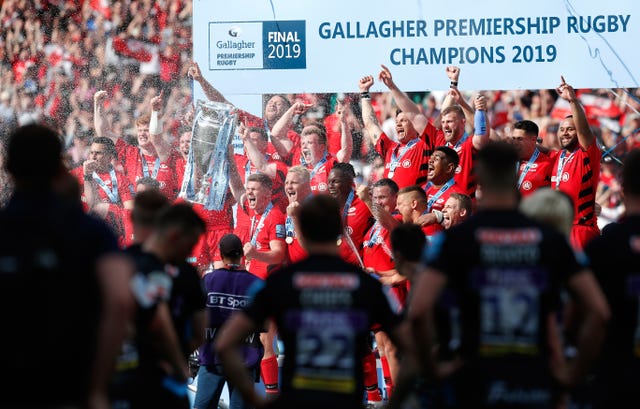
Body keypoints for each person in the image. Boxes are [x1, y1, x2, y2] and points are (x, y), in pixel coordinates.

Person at [405, 141, 610, 409]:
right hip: (534, 380)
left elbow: (418, 310)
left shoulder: (456, 240)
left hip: (474, 379)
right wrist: (574, 372)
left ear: (481, 174)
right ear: (514, 175)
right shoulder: (548, 239)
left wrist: (432, 368)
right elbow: (598, 311)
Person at [214, 194, 411, 409]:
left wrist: (256, 401)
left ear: (303, 231)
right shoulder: (367, 285)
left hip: (298, 400)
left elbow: (225, 343)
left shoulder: (281, 283)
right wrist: (396, 402)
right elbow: (411, 346)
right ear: (340, 228)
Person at [0, 123, 134, 409]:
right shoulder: (90, 231)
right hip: (74, 378)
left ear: (9, 169)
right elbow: (120, 300)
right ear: (60, 167)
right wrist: (98, 386)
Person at [121, 202, 206, 409]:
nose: (189, 253)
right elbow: (160, 322)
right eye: (189, 245)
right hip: (151, 381)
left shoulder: (123, 261)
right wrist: (178, 363)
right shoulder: (152, 269)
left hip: (135, 376)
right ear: (175, 236)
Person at [582, 148, 640, 409]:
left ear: (623, 188)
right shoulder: (606, 242)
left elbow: (594, 315)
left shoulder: (605, 244)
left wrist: (574, 373)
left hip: (615, 374)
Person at [228, 169, 286, 397]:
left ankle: (272, 394)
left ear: (268, 192)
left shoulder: (275, 216)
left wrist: (255, 255)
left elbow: (278, 254)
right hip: (252, 287)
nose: (248, 193)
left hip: (268, 289)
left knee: (265, 339)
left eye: (254, 189)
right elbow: (236, 188)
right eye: (248, 188)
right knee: (255, 339)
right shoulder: (253, 214)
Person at [194, 233, 264, 409]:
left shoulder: (208, 280)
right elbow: (265, 326)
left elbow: (197, 318)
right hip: (245, 360)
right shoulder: (256, 284)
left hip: (212, 357)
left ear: (220, 254)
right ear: (242, 254)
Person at [549, 76, 602, 250]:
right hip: (558, 229)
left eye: (570, 129)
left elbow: (584, 130)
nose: (564, 133)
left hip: (581, 229)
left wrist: (572, 100)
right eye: (562, 129)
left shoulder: (587, 153)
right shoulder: (558, 157)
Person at [359, 74, 430, 189]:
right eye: (397, 121)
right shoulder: (390, 148)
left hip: (412, 204)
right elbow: (370, 124)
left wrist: (391, 86)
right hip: (392, 205)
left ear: (415, 124)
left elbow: (417, 115)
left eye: (403, 121)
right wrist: (364, 93)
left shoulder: (424, 145)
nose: (398, 124)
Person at [81, 136, 135, 246]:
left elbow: (129, 210)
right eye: (91, 152)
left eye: (98, 153)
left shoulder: (121, 178)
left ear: (109, 156)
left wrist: (107, 209)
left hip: (112, 234)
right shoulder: (78, 174)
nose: (93, 157)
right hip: (85, 232)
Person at [327, 162, 374, 267]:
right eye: (329, 182)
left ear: (349, 182)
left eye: (335, 182)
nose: (330, 186)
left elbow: (382, 220)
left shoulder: (364, 203)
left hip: (358, 269)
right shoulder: (326, 207)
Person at [507, 119, 554, 198]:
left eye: (519, 139)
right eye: (513, 139)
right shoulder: (508, 160)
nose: (515, 143)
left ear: (533, 139)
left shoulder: (547, 163)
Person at [283, 165, 313, 264]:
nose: (289, 186)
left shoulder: (317, 208)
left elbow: (310, 247)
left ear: (307, 185)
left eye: (294, 183)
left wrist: (295, 217)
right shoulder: (290, 209)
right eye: (286, 183)